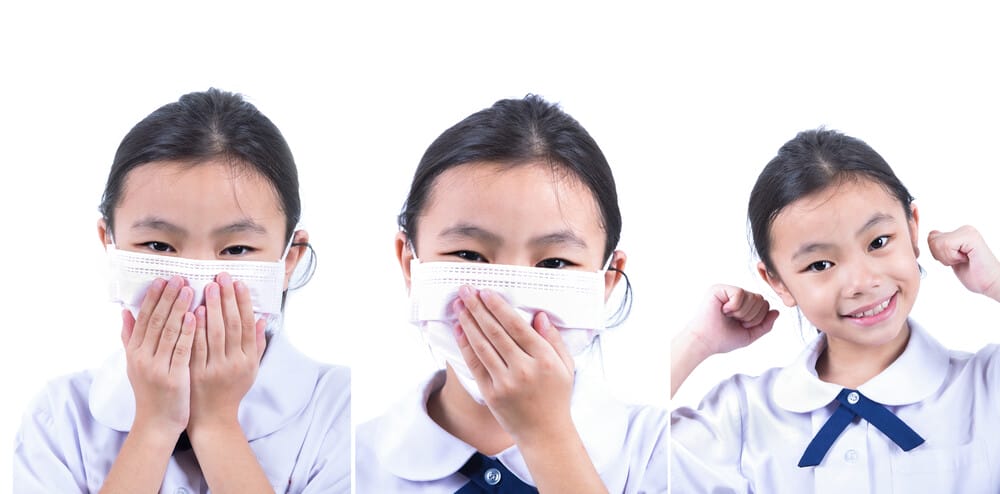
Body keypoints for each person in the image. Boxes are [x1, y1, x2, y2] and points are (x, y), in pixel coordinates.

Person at [13, 88, 351, 493]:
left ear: (288, 258)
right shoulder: (59, 417)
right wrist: (154, 425)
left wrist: (216, 425)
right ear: (111, 242)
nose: (194, 284)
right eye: (158, 246)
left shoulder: (341, 410)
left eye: (236, 249)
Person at [355, 94, 680, 493]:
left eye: (554, 264)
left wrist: (547, 437)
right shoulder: (355, 462)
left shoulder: (660, 451)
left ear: (607, 280)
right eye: (470, 255)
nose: (506, 302)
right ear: (410, 263)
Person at [670, 128, 1000, 492]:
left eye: (878, 242)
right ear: (776, 280)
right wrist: (696, 342)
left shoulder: (985, 387)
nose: (862, 281)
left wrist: (995, 283)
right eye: (820, 265)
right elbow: (623, 463)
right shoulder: (743, 416)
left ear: (912, 227)